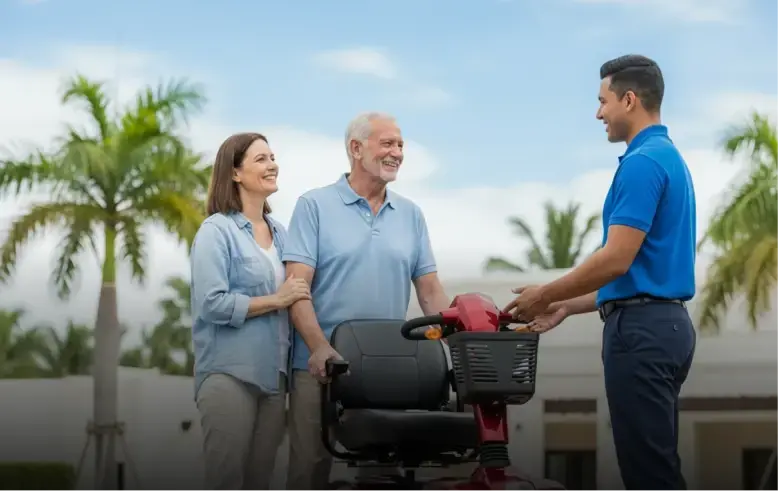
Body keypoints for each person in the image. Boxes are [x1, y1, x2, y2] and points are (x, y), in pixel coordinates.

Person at [504, 55, 697, 491]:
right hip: (665, 324)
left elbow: (615, 260)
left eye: (602, 101)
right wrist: (566, 305)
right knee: (657, 465)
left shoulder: (643, 163)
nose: (598, 114)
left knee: (647, 473)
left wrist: (543, 293)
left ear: (629, 100)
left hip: (642, 332)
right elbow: (641, 272)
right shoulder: (671, 159)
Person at [281, 112, 451, 491]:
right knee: (309, 471)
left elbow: (429, 291)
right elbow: (296, 288)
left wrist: (463, 332)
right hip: (320, 367)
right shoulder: (314, 206)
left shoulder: (411, 214)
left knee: (383, 477)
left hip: (388, 368)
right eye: (387, 144)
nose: (397, 153)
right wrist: (319, 346)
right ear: (356, 149)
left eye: (401, 145)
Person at [189, 132, 311, 491]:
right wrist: (277, 299)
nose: (272, 164)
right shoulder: (216, 231)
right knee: (225, 479)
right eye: (261, 159)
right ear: (235, 173)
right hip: (229, 375)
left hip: (275, 379)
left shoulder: (284, 234)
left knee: (260, 481)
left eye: (272, 157)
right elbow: (212, 303)